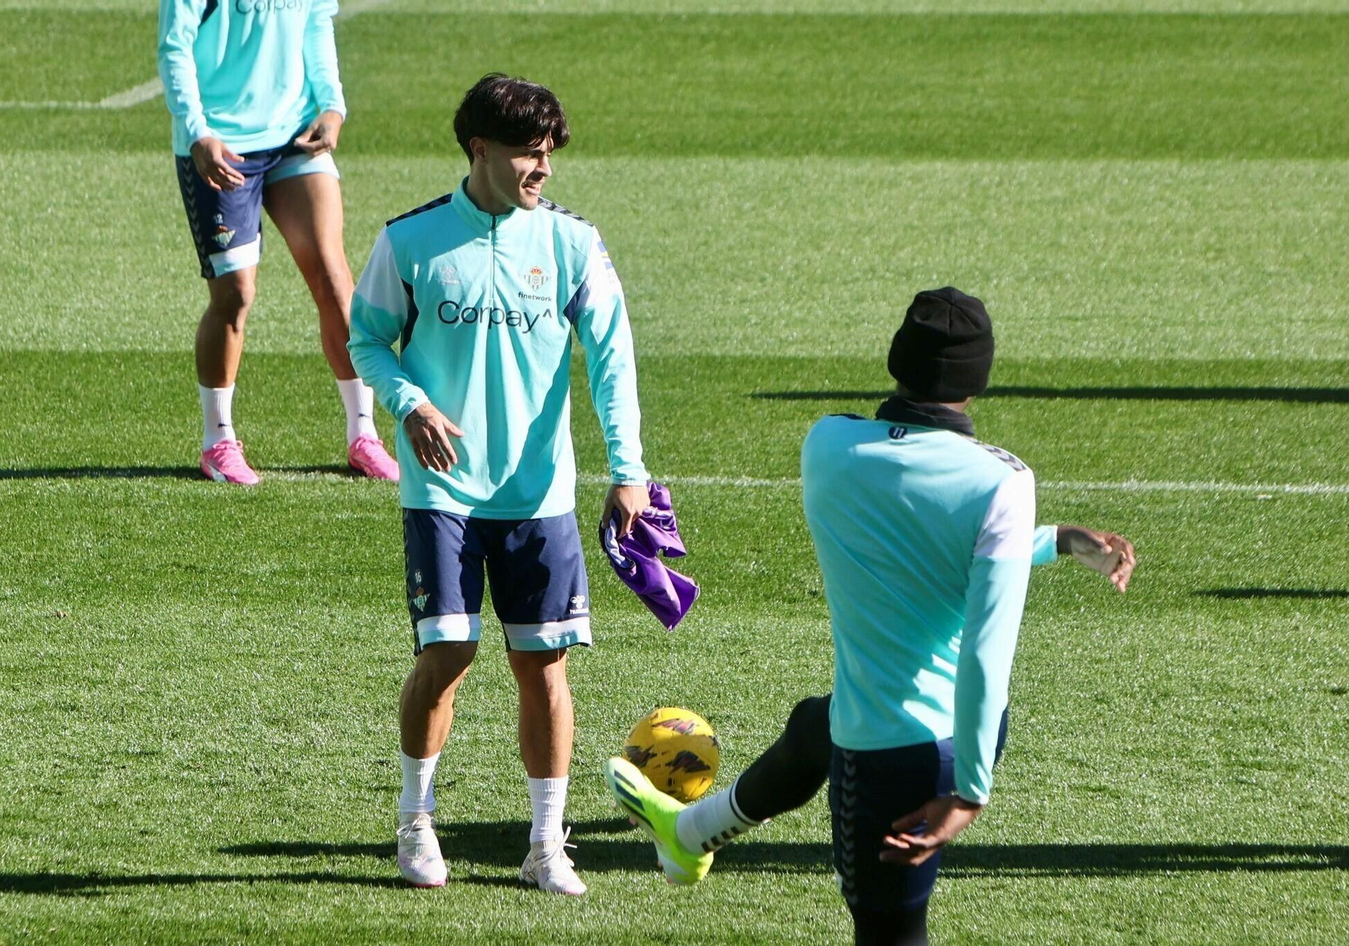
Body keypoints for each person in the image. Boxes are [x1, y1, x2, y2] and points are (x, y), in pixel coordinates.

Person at [606, 288, 1137, 944]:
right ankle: (689, 834)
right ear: (977, 382)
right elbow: (978, 630)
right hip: (970, 734)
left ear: (898, 359)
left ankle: (689, 835)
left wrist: (965, 799)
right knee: (812, 725)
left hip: (886, 754)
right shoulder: (1003, 483)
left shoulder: (829, 446)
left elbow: (911, 533)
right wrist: (1054, 539)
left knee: (889, 936)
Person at [348, 74, 651, 895]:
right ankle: (416, 821)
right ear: (478, 149)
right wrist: (408, 404)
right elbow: (366, 340)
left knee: (544, 665)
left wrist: (629, 472)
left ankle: (547, 844)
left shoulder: (572, 246)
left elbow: (614, 363)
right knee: (448, 651)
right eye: (527, 152)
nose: (542, 167)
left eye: (549, 152)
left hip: (539, 493)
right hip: (441, 490)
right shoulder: (409, 242)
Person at [158, 0, 396, 485]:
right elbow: (174, 46)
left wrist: (332, 105)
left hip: (295, 135)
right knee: (235, 294)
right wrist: (197, 131)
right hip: (221, 145)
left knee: (334, 279)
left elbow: (315, 24)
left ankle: (363, 434)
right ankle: (217, 440)